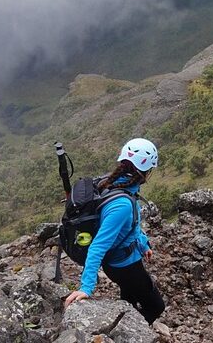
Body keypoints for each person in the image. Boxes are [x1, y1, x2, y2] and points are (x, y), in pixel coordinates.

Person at [63, 138, 166, 323]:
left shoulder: (111, 183)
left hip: (119, 262)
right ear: (147, 171)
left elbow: (131, 226)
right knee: (156, 307)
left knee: (129, 298)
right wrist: (86, 287)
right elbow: (98, 246)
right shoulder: (122, 204)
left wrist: (143, 245)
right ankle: (132, 330)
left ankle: (125, 323)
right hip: (125, 266)